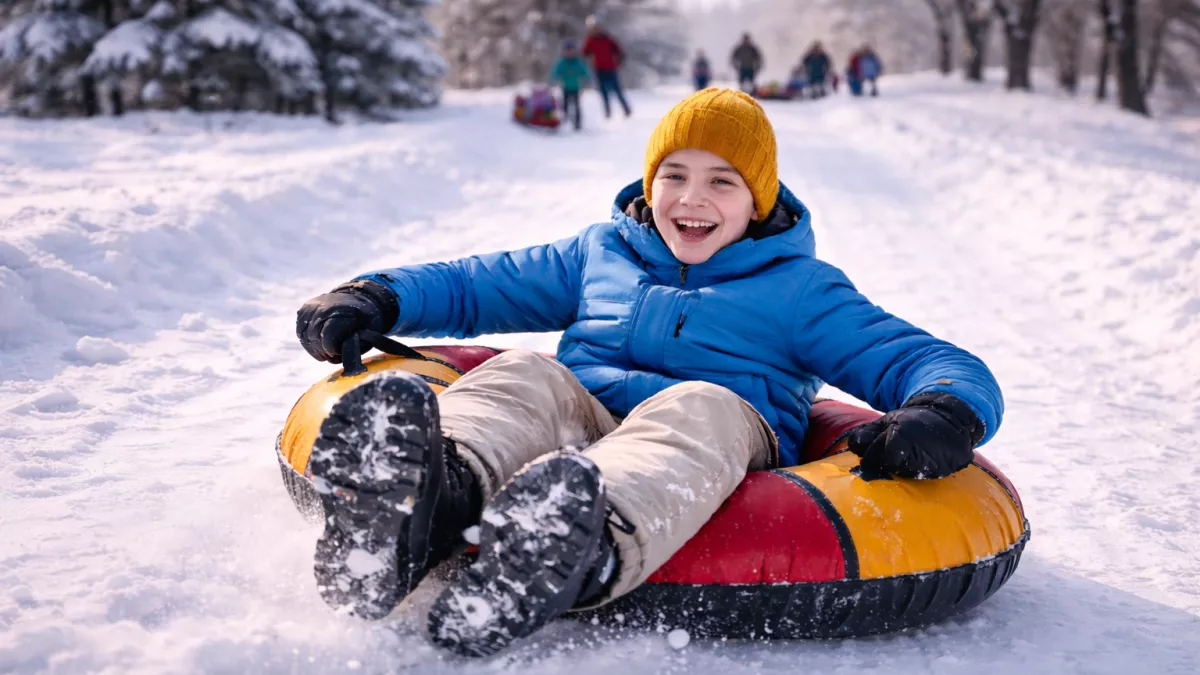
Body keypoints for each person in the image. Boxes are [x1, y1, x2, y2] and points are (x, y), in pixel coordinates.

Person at [295, 89, 1004, 658]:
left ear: (757, 199)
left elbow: (922, 358)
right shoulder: (603, 250)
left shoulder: (801, 290)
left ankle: (572, 543)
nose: (691, 198)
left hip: (718, 431)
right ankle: (430, 496)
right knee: (526, 376)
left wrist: (945, 409)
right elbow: (482, 283)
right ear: (649, 180)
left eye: (721, 182)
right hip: (586, 418)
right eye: (675, 175)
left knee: (699, 402)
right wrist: (379, 294)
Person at [582, 16, 632, 118]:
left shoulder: (608, 39)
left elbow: (619, 50)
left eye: (597, 27)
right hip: (598, 69)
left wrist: (620, 61)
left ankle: (626, 110)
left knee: (617, 90)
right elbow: (585, 53)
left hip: (611, 68)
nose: (596, 30)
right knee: (603, 92)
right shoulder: (590, 40)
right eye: (593, 28)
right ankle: (607, 112)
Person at [550, 39, 591, 130]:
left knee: (576, 106)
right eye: (567, 50)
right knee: (565, 106)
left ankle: (577, 124)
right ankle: (563, 122)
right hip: (565, 88)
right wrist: (553, 79)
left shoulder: (578, 62)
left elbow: (584, 71)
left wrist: (587, 79)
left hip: (576, 87)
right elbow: (555, 72)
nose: (569, 53)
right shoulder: (562, 63)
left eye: (571, 50)